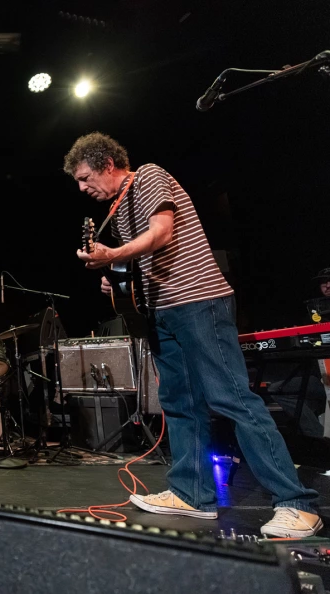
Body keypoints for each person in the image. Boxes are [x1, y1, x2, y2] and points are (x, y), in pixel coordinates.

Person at [66, 132, 322, 538]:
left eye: (84, 177)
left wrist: (113, 255)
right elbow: (148, 257)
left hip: (199, 302)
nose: (82, 188)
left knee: (231, 397)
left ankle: (296, 503)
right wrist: (119, 279)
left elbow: (163, 232)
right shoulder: (120, 207)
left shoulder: (147, 176)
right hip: (164, 311)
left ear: (107, 164)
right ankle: (192, 493)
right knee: (179, 402)